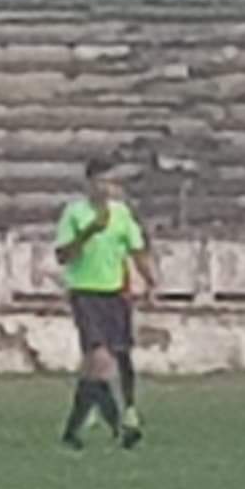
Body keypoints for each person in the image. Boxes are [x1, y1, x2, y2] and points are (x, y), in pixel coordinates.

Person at [54, 156, 151, 449]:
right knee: (99, 358)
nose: (105, 187)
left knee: (94, 368)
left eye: (110, 181)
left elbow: (137, 250)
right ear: (88, 183)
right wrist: (88, 232)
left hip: (114, 295)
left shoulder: (122, 214)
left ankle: (71, 431)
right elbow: (63, 256)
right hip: (85, 293)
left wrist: (151, 281)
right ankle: (120, 426)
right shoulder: (75, 213)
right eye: (100, 181)